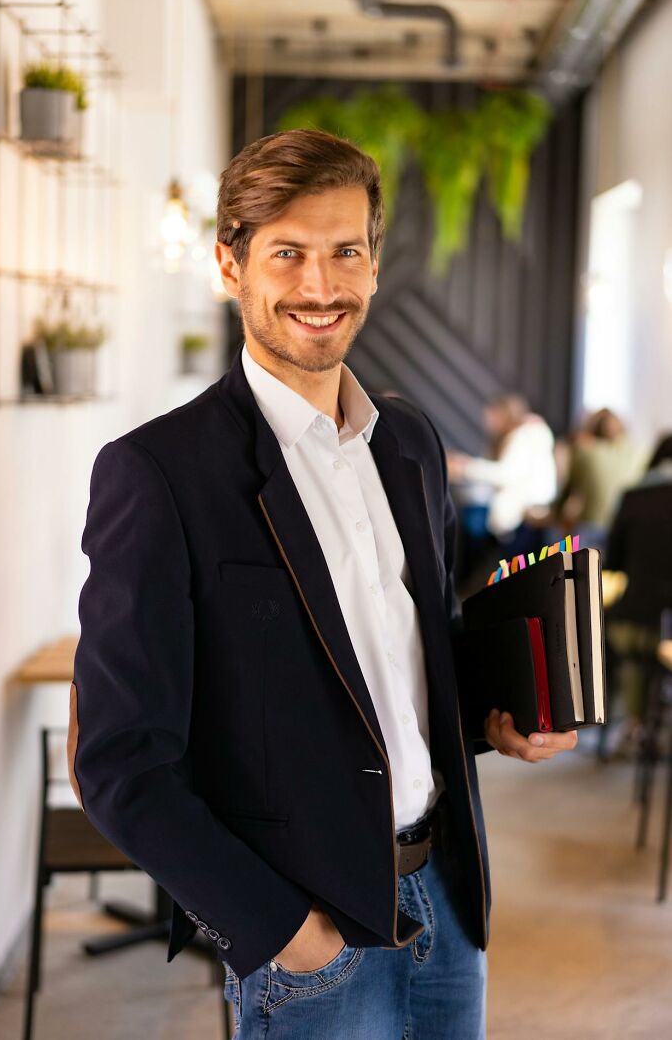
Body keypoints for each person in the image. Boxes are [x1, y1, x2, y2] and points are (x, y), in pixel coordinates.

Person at [68, 129, 577, 1040]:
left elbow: (394, 669)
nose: (320, 285)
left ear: (375, 265)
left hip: (450, 904)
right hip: (314, 934)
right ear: (230, 266)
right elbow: (119, 763)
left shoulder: (410, 442)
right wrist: (280, 934)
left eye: (345, 251)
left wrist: (495, 717)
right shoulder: (159, 473)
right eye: (288, 254)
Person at [604, 434, 672, 752]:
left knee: (635, 649)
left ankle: (635, 722)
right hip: (666, 630)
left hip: (634, 621)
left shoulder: (633, 497)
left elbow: (613, 561)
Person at [448, 394, 558, 559]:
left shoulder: (522, 436)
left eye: (492, 417)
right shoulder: (529, 434)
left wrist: (465, 467)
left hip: (520, 518)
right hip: (530, 515)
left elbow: (507, 473)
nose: (488, 423)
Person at [558, 408, 645, 551]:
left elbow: (568, 492)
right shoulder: (638, 453)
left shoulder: (585, 452)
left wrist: (556, 516)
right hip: (626, 530)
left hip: (592, 529)